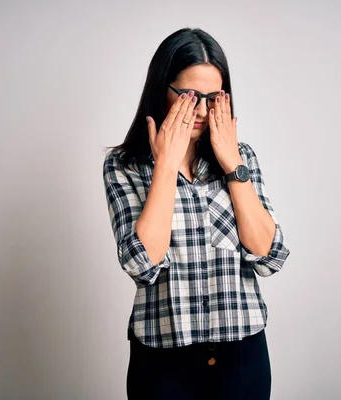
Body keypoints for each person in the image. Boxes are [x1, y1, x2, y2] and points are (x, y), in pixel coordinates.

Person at [102, 27, 291, 400]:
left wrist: (232, 163)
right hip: (162, 363)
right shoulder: (123, 165)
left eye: (214, 97)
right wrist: (167, 165)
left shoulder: (242, 156)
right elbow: (142, 264)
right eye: (191, 96)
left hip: (242, 357)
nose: (203, 111)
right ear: (162, 88)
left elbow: (270, 256)